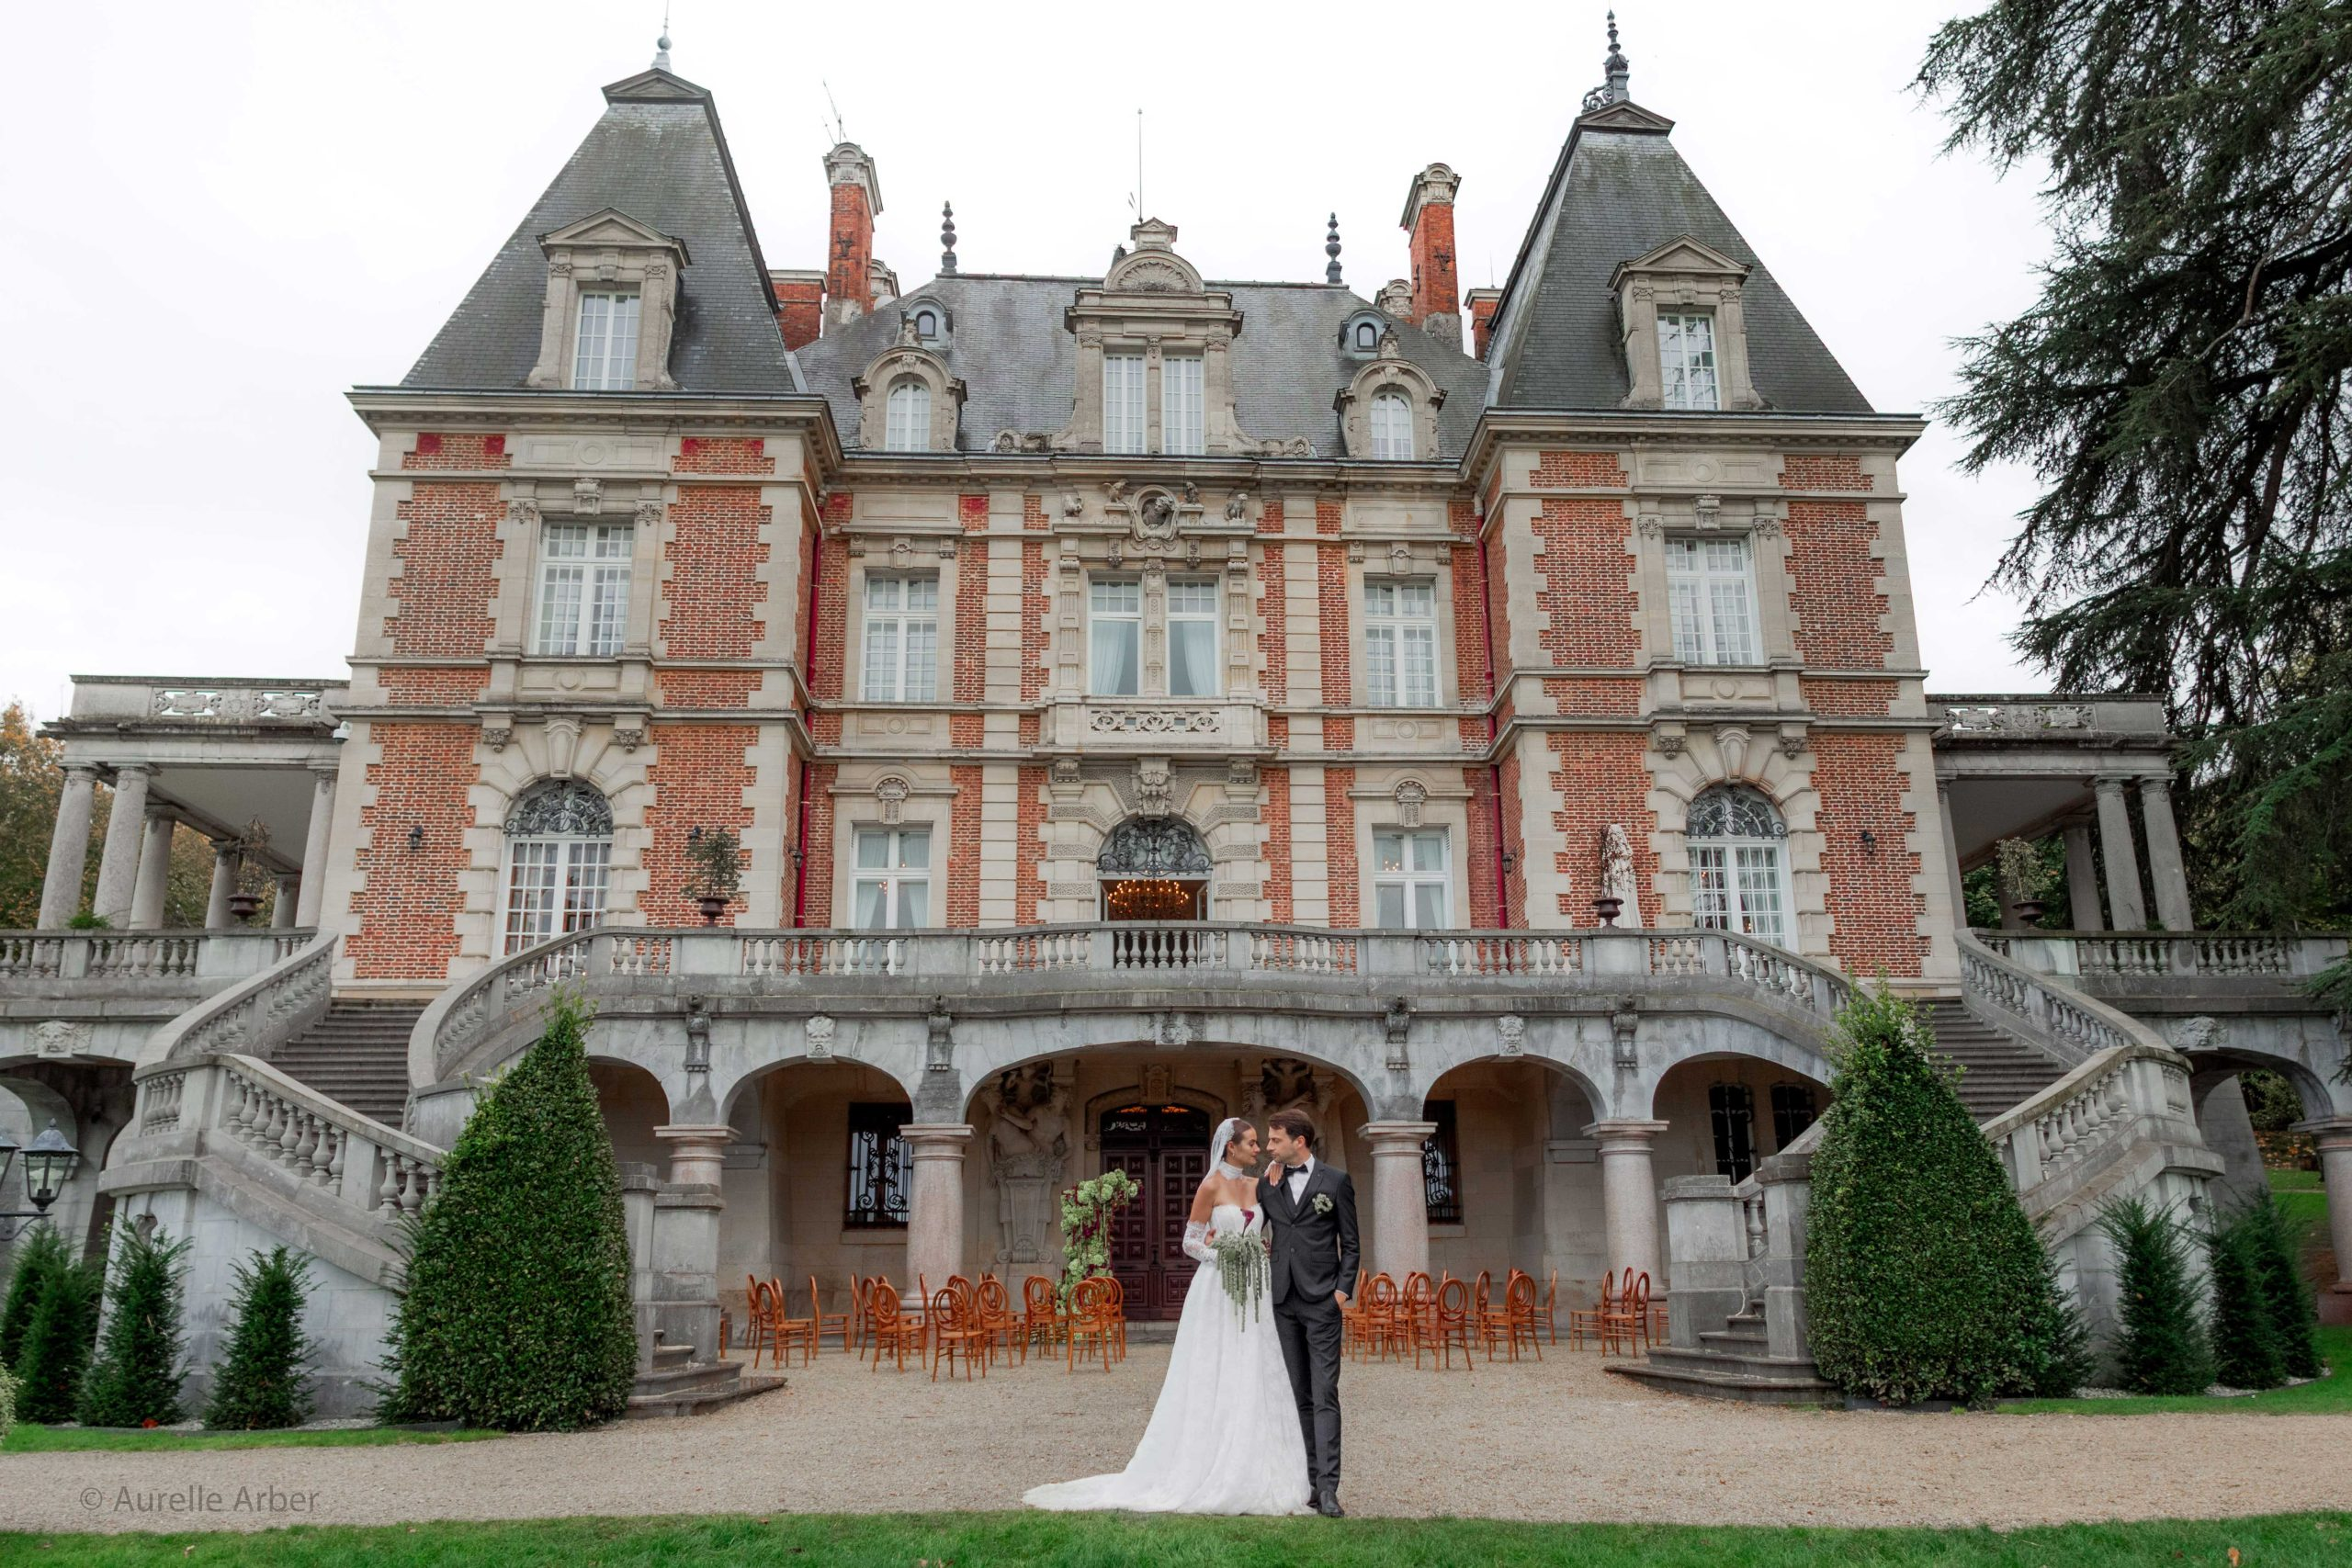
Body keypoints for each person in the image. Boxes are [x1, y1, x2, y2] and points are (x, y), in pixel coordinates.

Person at [1022, 1118, 1311, 1516]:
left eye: (1262, 1143)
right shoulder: (1210, 1186)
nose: (1259, 1149)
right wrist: (1224, 1255)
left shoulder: (1260, 1185)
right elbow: (1190, 1242)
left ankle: (1259, 1462)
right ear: (1231, 1148)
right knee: (1214, 1368)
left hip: (1255, 1290)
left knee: (1256, 1367)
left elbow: (1272, 1230)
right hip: (1218, 1287)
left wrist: (1258, 1249)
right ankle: (1205, 1460)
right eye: (1253, 1143)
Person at [1260, 1107, 1360, 1518]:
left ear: (1298, 1141)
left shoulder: (1335, 1181)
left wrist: (1341, 1293)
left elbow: (1351, 1243)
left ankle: (1329, 1488)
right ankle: (1309, 1482)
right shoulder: (1268, 1185)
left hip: (1322, 1301)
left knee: (1324, 1394)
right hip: (1282, 1300)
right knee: (1298, 1396)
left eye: (1275, 1140)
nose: (1269, 1146)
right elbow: (1252, 1227)